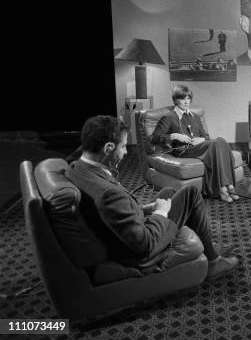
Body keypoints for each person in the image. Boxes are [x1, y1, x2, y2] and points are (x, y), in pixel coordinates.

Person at [66, 115, 240, 279]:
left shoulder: (76, 166)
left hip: (127, 231)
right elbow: (144, 244)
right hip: (140, 251)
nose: (126, 152)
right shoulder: (108, 195)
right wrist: (160, 214)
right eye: (124, 146)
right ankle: (212, 261)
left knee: (170, 193)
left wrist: (144, 209)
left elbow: (115, 214)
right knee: (191, 193)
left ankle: (208, 244)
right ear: (108, 148)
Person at [151, 85, 239, 203]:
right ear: (175, 100)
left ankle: (229, 186)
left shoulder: (195, 117)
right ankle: (223, 189)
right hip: (183, 150)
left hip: (198, 147)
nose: (186, 102)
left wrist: (201, 139)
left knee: (221, 141)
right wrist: (174, 136)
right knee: (215, 144)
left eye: (188, 99)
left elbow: (206, 137)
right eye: (183, 99)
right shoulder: (169, 118)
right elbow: (154, 138)